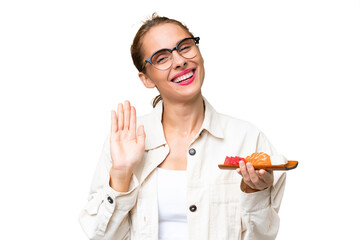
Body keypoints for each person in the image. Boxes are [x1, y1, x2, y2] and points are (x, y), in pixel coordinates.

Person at [79, 13, 286, 240]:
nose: (179, 61)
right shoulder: (125, 143)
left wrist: (255, 192)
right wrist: (120, 175)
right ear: (147, 79)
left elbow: (263, 237)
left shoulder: (247, 138)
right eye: (161, 58)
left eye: (185, 47)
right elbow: (101, 237)